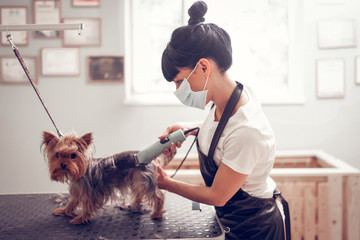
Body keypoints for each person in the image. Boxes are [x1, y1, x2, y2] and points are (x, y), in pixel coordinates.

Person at [155, 1, 290, 240]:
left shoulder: (248, 130)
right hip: (231, 221)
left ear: (203, 67)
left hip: (255, 229)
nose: (178, 90)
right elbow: (225, 132)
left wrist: (166, 183)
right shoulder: (230, 96)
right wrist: (189, 129)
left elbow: (218, 195)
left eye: (179, 81)